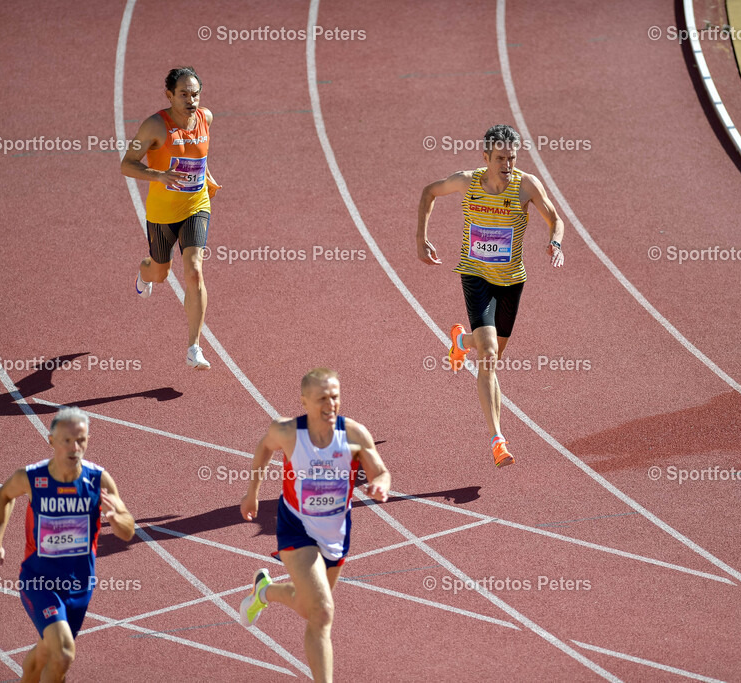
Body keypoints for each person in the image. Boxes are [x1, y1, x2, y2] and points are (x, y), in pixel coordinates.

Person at [417, 124, 565, 468]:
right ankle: (498, 439)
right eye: (500, 158)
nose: (507, 164)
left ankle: (460, 341)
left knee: (492, 354)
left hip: (511, 279)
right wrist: (420, 239)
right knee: (489, 355)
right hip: (476, 274)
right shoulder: (467, 181)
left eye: (512, 158)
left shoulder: (526, 186)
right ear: (486, 157)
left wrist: (555, 242)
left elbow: (555, 219)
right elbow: (428, 192)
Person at [238, 368, 391, 683]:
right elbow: (265, 447)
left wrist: (380, 484)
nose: (330, 403)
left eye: (335, 396)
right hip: (296, 528)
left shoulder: (353, 434)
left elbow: (380, 471)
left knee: (310, 610)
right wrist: (252, 492)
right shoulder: (288, 431)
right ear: (304, 401)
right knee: (322, 612)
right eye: (322, 398)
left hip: (336, 533)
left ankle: (264, 591)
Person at [0, 407, 135, 683]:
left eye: (81, 440)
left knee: (47, 655)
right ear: (51, 440)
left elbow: (127, 531)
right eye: (66, 440)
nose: (74, 447)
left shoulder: (98, 479)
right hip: (39, 582)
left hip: (80, 586)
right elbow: (4, 496)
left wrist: (116, 519)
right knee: (64, 652)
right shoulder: (32, 478)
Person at [121, 66, 222, 370]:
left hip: (195, 205)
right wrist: (160, 175)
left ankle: (194, 346)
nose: (191, 100)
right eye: (183, 94)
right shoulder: (155, 126)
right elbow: (127, 164)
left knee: (194, 271)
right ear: (169, 95)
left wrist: (207, 176)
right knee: (160, 274)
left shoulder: (206, 117)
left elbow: (197, 155)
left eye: (195, 93)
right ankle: (145, 270)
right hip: (162, 213)